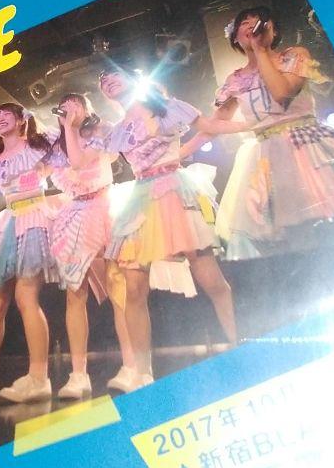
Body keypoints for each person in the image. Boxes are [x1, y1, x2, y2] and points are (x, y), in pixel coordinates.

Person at [97, 70, 245, 389]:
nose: (107, 80)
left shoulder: (168, 106)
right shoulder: (117, 131)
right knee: (134, 287)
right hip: (140, 197)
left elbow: (209, 127)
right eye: (102, 81)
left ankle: (239, 345)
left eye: (113, 75)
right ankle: (142, 373)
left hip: (173, 189)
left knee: (210, 278)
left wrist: (251, 126)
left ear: (132, 78)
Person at [210, 7, 334, 259]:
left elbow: (281, 94)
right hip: (266, 154)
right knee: (290, 232)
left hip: (304, 144)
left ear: (272, 29)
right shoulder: (234, 80)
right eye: (243, 23)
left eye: (257, 21)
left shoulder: (293, 56)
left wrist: (261, 51)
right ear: (235, 37)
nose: (250, 25)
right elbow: (215, 124)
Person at [0, 104, 60, 403]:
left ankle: (39, 377)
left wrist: (31, 125)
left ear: (21, 120)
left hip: (35, 215)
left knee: (26, 296)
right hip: (10, 220)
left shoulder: (36, 145)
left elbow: (61, 134)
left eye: (7, 114)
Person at [46, 94, 136, 399]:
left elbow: (80, 161)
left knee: (118, 285)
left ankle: (132, 365)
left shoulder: (100, 131)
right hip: (75, 212)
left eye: (76, 104)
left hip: (105, 206)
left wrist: (71, 128)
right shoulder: (56, 145)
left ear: (87, 108)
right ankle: (78, 374)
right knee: (75, 292)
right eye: (65, 106)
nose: (69, 109)